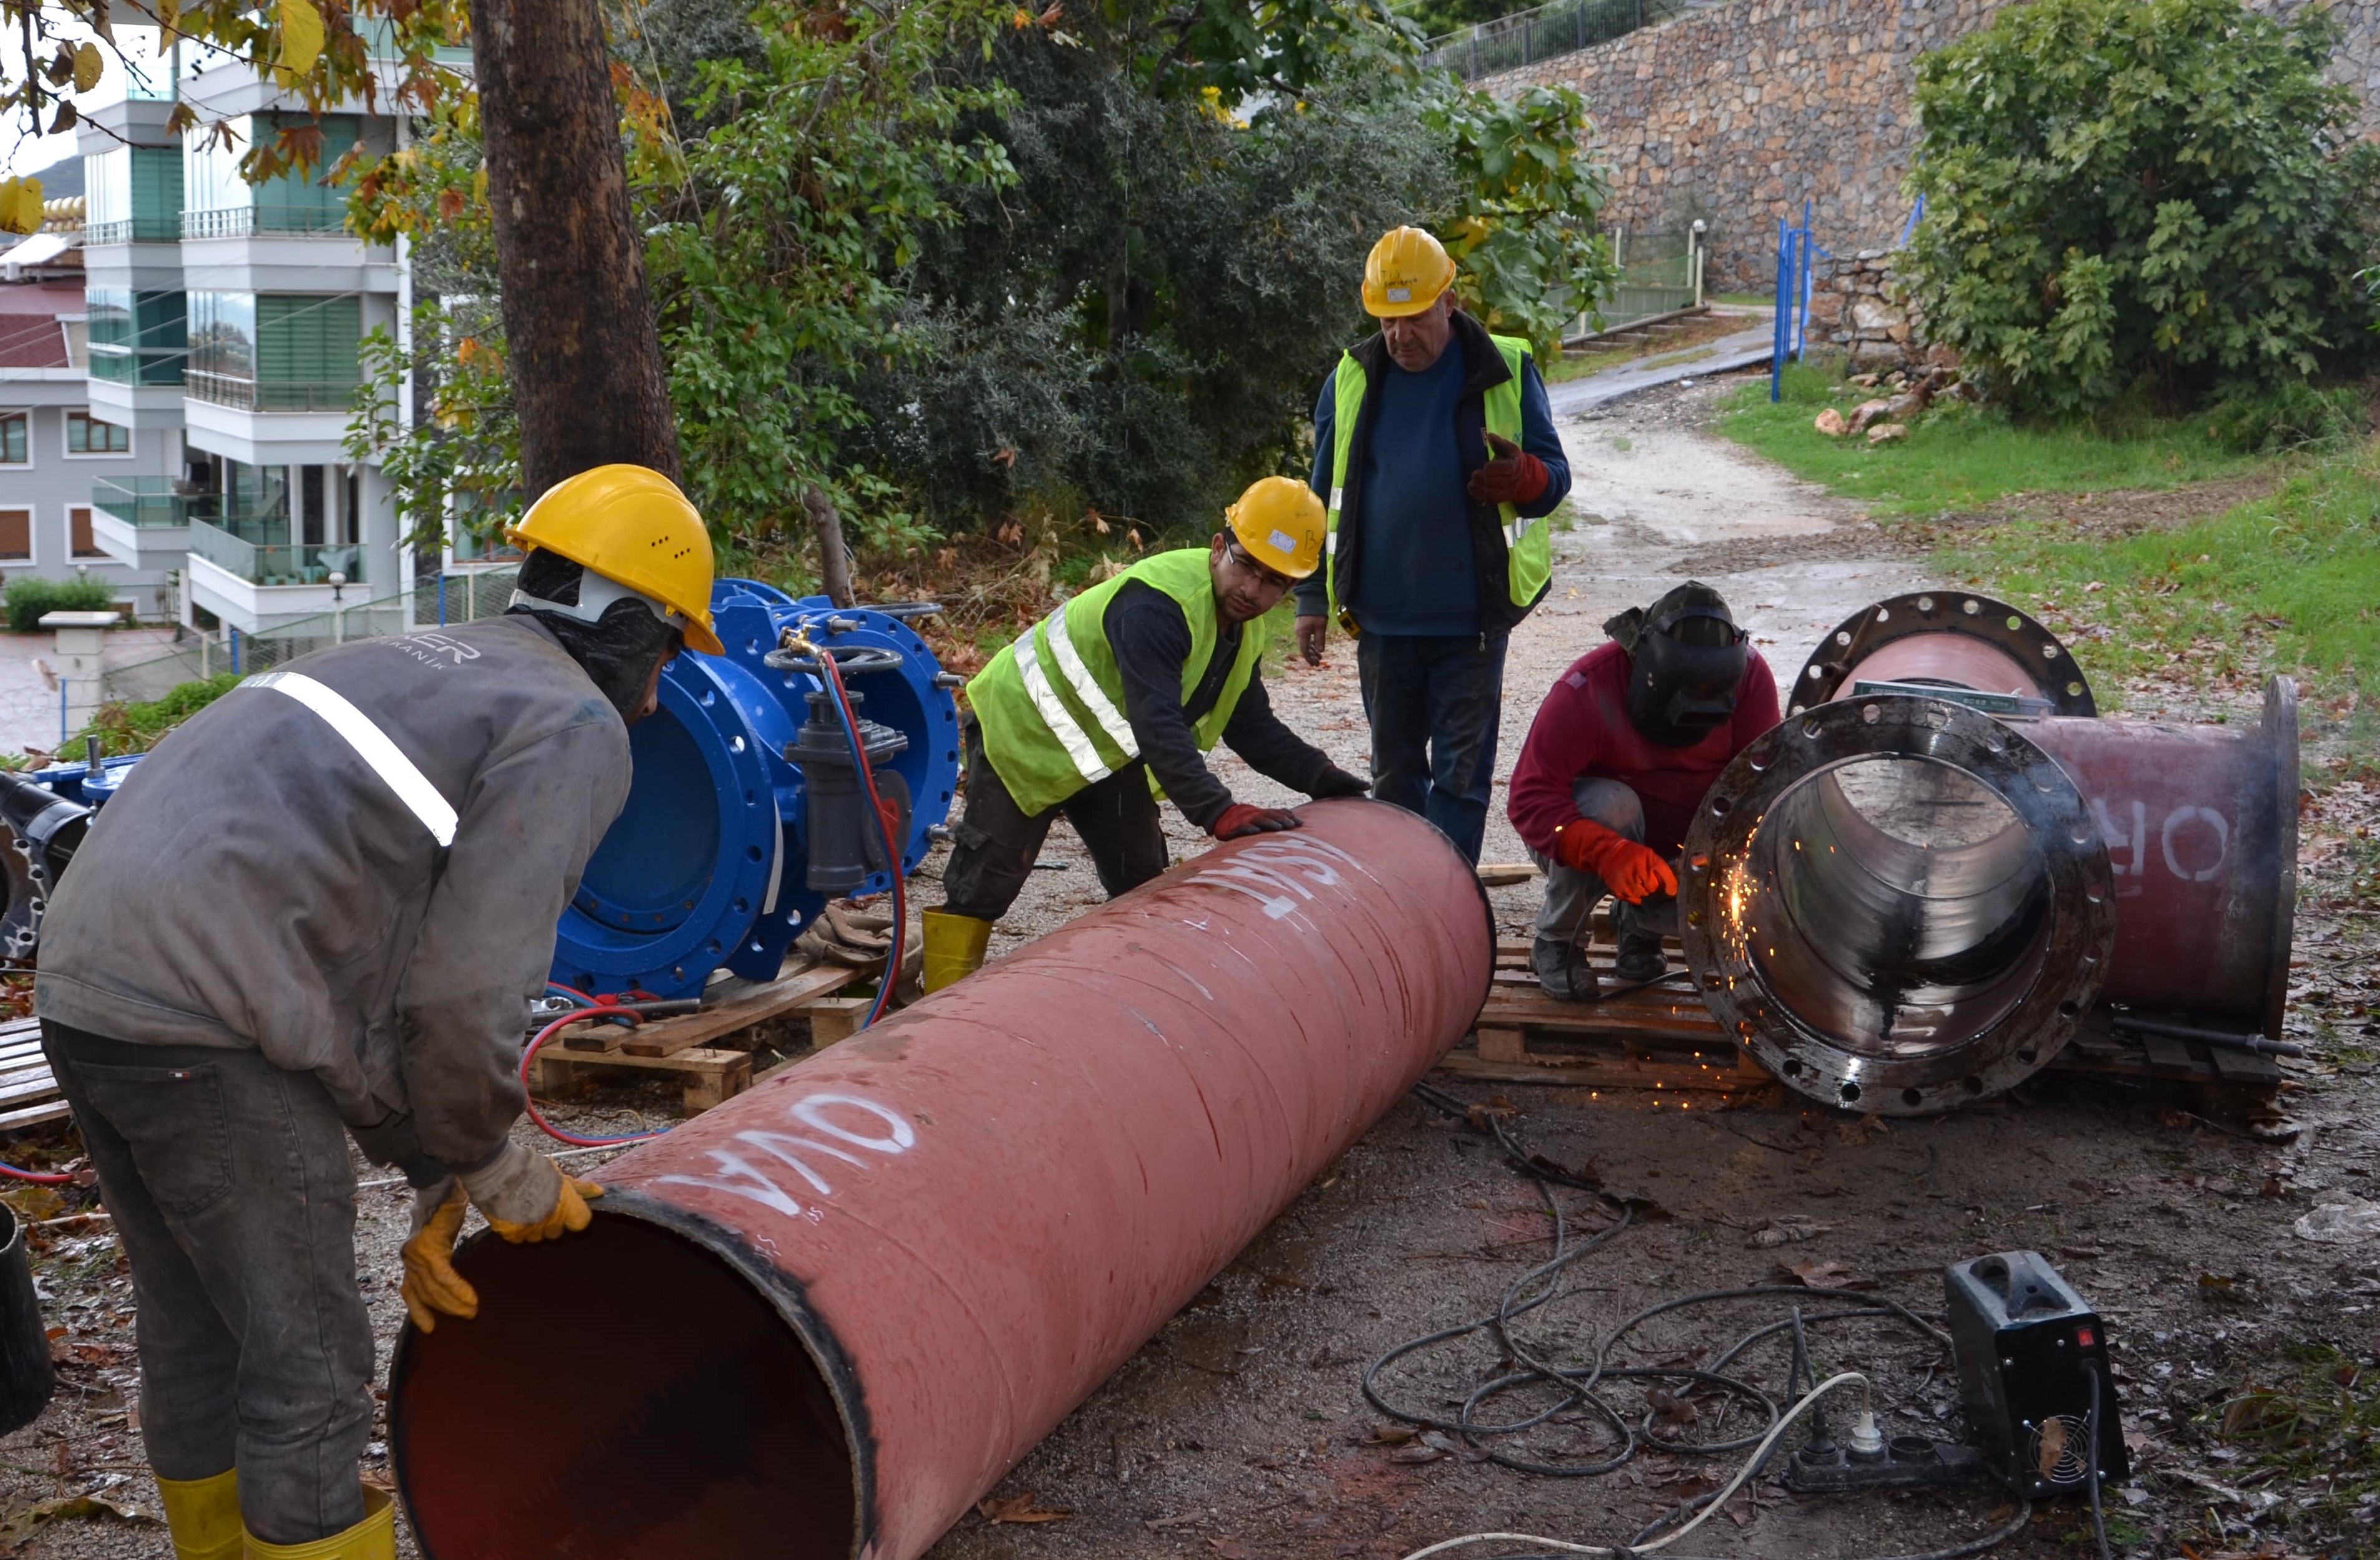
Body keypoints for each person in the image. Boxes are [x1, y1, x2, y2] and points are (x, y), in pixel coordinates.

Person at [31, 465, 718, 1560]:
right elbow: (465, 987)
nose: (657, 692)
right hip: (203, 1018)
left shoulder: (414, 659)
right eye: (672, 650)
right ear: (630, 624)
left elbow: (372, 975)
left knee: (197, 1328)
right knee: (306, 1365)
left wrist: (437, 1170)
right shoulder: (572, 723)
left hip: (86, 983)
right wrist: (489, 1162)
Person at [923, 477, 1371, 991]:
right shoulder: (1158, 605)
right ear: (1219, 546)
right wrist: (1217, 810)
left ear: (1290, 589)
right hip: (1023, 729)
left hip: (1104, 753)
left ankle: (1144, 998)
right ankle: (932, 1009)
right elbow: (1157, 724)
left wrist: (1321, 775)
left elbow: (1250, 724)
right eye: (1245, 565)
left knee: (1142, 877)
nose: (1253, 589)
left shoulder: (1242, 629)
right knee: (987, 879)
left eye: (1274, 581)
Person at [1293, 225, 1571, 865]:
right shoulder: (1352, 377)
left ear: (1449, 301)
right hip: (1383, 620)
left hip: (1471, 619)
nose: (1399, 336)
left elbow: (1553, 480)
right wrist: (1309, 594)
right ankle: (1403, 899)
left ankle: (1446, 901)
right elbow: (1319, 498)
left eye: (1413, 317)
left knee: (1460, 777)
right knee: (1393, 777)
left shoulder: (1505, 366)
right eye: (1386, 320)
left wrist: (1527, 476)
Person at [1505, 582, 1780, 1000]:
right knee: (1612, 805)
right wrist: (1606, 852)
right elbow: (1529, 798)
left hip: (1693, 836)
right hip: (1607, 829)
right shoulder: (1586, 688)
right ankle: (1557, 941)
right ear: (1642, 663)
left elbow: (1765, 790)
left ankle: (1638, 926)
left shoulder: (1751, 679)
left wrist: (1717, 857)